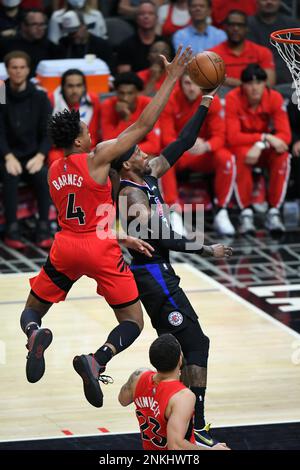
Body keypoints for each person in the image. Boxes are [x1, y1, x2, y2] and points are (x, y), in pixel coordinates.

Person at [19, 46, 193, 410]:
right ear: (81, 141)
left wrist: (120, 233)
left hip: (66, 246)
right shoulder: (97, 157)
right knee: (132, 320)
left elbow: (83, 215)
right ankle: (98, 360)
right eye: (86, 129)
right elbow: (144, 125)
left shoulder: (53, 171)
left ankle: (35, 335)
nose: (90, 131)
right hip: (100, 249)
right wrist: (171, 78)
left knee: (32, 309)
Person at [117, 82, 233, 446]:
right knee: (195, 342)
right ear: (125, 162)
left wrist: (206, 102)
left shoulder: (149, 173)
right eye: (137, 149)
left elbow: (182, 143)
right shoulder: (129, 195)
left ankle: (181, 417)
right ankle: (192, 425)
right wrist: (206, 248)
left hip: (161, 274)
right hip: (152, 276)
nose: (144, 151)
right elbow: (159, 238)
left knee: (188, 346)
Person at [119, 334, 230, 450]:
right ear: (180, 359)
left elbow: (123, 399)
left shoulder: (138, 376)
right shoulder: (182, 396)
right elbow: (176, 447)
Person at [159, 72, 235, 236]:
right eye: (187, 83)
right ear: (180, 84)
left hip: (202, 153)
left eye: (195, 83)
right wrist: (185, 145)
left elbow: (220, 136)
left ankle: (222, 210)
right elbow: (166, 138)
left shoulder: (212, 102)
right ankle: (173, 212)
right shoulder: (170, 101)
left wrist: (207, 145)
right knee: (163, 161)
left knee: (226, 158)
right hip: (180, 153)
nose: (191, 88)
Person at [225, 63, 291, 235]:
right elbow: (232, 137)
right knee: (240, 155)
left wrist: (262, 143)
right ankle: (245, 212)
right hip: (244, 148)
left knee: (283, 155)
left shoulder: (275, 97)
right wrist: (264, 137)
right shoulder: (233, 98)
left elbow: (285, 136)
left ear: (264, 84)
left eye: (259, 83)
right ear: (243, 85)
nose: (254, 88)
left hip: (264, 148)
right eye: (249, 83)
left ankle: (274, 211)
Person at [0, 50, 52, 249]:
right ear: (7, 69)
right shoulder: (2, 94)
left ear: (28, 70)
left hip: (33, 155)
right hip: (8, 155)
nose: (18, 71)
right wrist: (7, 156)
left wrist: (40, 155)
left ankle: (44, 226)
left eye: (22, 67)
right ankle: (12, 228)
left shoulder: (39, 97)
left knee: (42, 175)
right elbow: (0, 130)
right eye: (14, 67)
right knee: (9, 176)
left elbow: (47, 131)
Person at [48, 69, 101, 165]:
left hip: (89, 149)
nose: (75, 90)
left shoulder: (94, 100)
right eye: (70, 86)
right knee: (54, 159)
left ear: (84, 87)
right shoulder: (51, 101)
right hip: (61, 150)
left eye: (78, 85)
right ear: (62, 87)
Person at [210, 10, 275, 88]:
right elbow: (210, 81)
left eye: (240, 25)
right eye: (231, 25)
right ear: (225, 27)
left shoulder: (262, 52)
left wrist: (231, 82)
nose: (236, 29)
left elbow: (269, 83)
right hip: (224, 98)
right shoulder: (212, 54)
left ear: (247, 28)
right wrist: (247, 84)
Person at [101, 72, 161, 156]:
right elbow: (107, 143)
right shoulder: (108, 105)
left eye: (130, 93)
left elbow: (153, 146)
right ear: (116, 92)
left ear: (137, 93)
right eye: (121, 93)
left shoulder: (148, 104)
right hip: (118, 157)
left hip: (142, 155)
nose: (125, 98)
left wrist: (125, 151)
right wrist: (124, 120)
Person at [247, 0, 300, 84]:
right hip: (256, 82)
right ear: (256, 1)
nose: (269, 2)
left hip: (290, 83)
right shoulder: (246, 25)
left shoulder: (292, 25)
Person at [0, 9, 60, 76]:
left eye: (42, 24)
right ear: (24, 26)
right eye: (34, 24)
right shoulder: (7, 44)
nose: (39, 28)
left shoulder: (50, 47)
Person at [116, 0, 163, 73]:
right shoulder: (126, 45)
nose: (146, 16)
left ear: (156, 18)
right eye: (142, 14)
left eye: (150, 13)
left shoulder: (165, 43)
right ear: (136, 19)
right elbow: (124, 76)